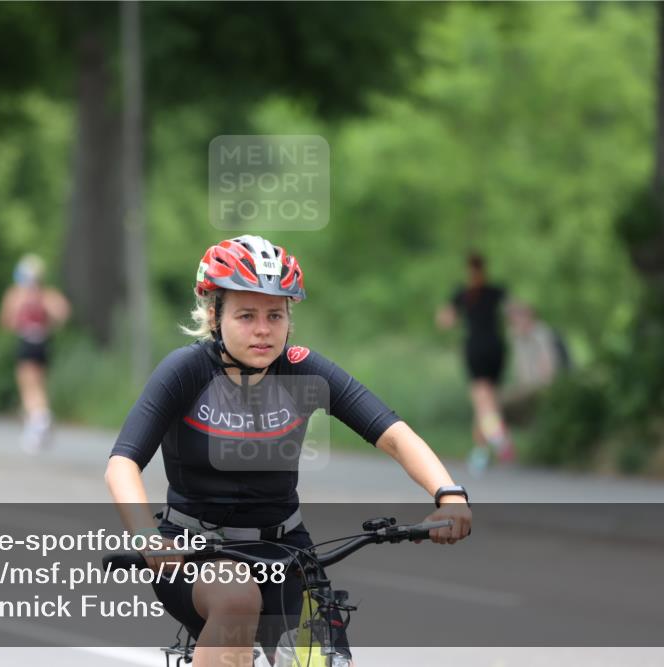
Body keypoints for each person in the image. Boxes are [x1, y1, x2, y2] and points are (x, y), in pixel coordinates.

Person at [105, 235, 472, 667]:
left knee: (322, 661)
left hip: (286, 553)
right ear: (214, 314)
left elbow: (393, 434)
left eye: (275, 315)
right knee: (237, 595)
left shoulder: (303, 369)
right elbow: (122, 464)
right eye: (246, 315)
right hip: (192, 552)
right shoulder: (185, 371)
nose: (263, 329)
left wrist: (449, 494)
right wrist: (147, 535)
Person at [436, 252, 515, 474]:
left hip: (476, 349)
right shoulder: (496, 291)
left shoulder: (463, 293)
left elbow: (445, 321)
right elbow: (514, 313)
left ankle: (500, 440)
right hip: (497, 348)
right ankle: (480, 452)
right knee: (489, 402)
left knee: (482, 403)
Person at [0, 254, 71, 453]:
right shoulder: (47, 295)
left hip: (26, 342)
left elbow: (6, 321)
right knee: (39, 383)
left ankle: (40, 419)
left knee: (27, 384)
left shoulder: (17, 294)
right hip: (44, 342)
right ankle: (38, 421)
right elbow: (63, 314)